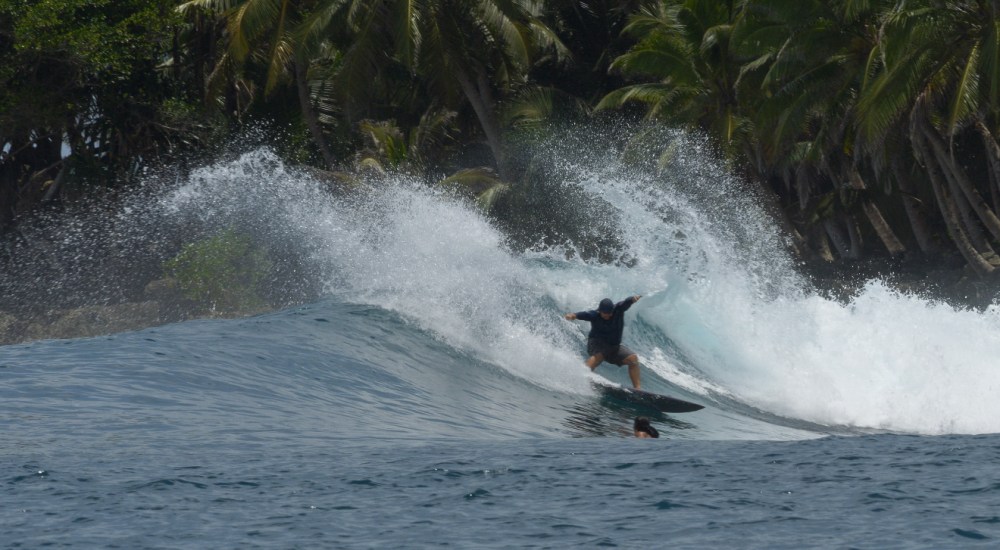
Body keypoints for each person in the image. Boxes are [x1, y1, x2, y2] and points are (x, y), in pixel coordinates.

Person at [563, 295, 642, 388]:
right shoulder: (595, 315)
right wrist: (572, 315)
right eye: (605, 313)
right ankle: (579, 379)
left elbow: (625, 302)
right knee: (599, 355)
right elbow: (582, 315)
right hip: (596, 344)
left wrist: (632, 299)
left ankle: (638, 389)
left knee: (633, 359)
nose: (608, 315)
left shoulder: (618, 309)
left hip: (614, 347)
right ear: (600, 311)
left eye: (610, 312)